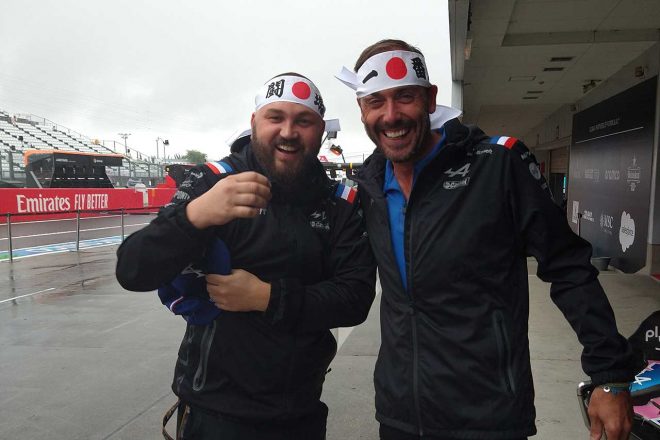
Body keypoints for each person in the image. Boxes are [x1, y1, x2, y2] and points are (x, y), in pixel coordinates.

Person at [336, 39, 638, 440]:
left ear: (430, 99)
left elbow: (568, 268)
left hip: (489, 415)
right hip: (400, 414)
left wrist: (610, 374)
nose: (391, 115)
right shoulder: (368, 187)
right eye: (376, 101)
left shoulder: (497, 165)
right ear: (361, 109)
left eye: (405, 97)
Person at [116, 72, 376, 440]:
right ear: (254, 123)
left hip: (299, 412)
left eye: (303, 121)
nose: (288, 132)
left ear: (321, 131)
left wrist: (266, 297)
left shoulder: (340, 202)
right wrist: (196, 215)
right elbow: (132, 269)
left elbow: (355, 298)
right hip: (214, 414)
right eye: (275, 118)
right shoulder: (213, 180)